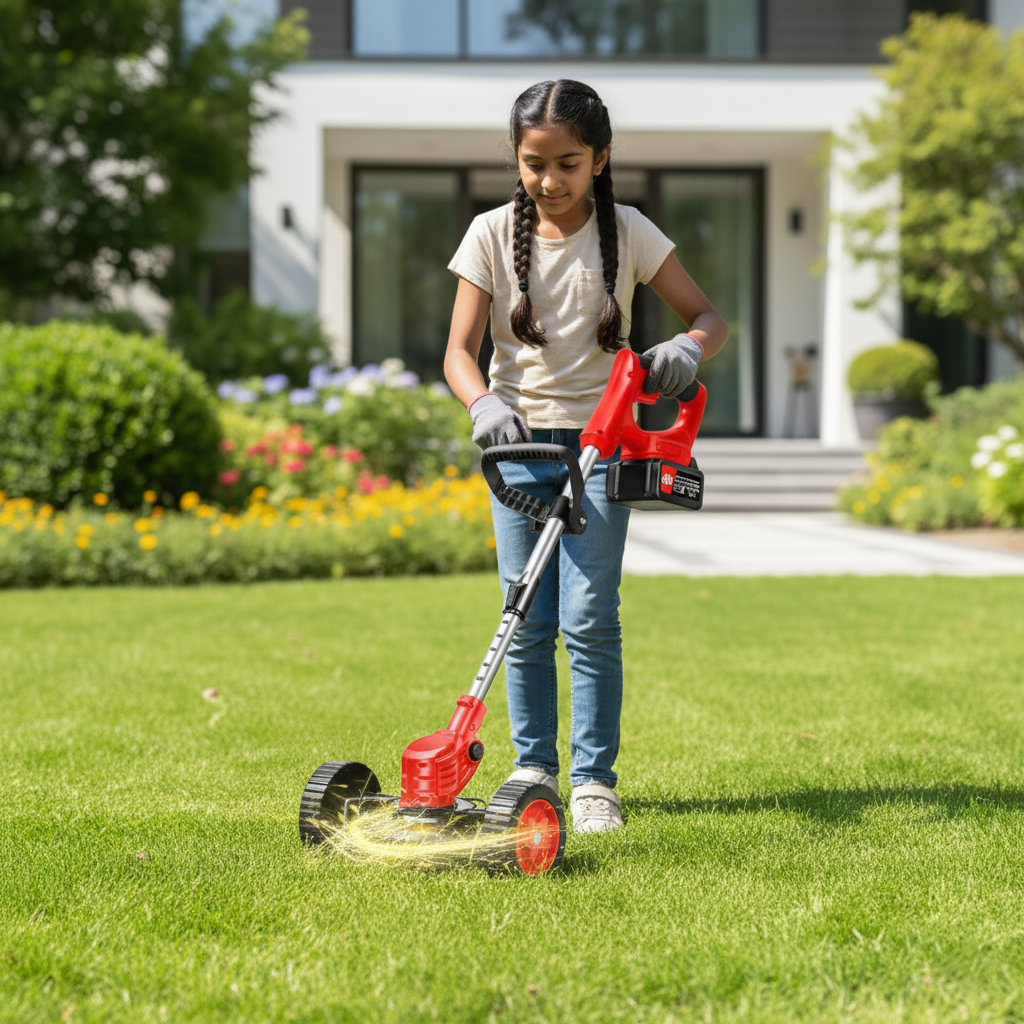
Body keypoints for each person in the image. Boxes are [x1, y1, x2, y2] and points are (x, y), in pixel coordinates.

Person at [444, 79, 728, 833]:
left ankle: (595, 780)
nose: (550, 180)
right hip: (519, 446)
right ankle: (533, 765)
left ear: (601, 158)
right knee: (525, 612)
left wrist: (684, 348)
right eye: (536, 162)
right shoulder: (487, 233)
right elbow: (457, 355)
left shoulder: (629, 230)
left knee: (591, 614)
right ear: (516, 156)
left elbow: (708, 317)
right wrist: (483, 404)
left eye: (569, 163)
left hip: (604, 445)